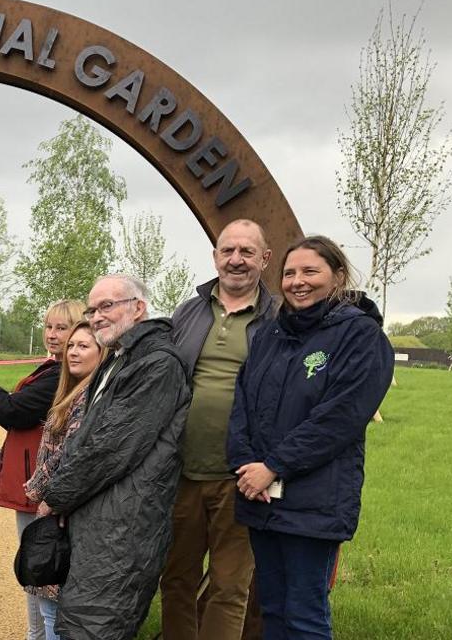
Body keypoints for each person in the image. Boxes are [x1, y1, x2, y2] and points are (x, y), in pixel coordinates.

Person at [227, 236, 393, 640]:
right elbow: (243, 404)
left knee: (304, 615)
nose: (297, 282)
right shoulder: (270, 335)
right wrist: (247, 467)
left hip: (313, 499)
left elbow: (340, 418)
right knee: (273, 609)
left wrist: (273, 467)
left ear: (337, 276)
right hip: (261, 497)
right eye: (289, 273)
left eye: (310, 272)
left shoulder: (361, 337)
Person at [39, 275, 191, 640]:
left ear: (138, 308)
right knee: (80, 621)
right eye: (92, 309)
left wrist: (56, 496)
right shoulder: (120, 359)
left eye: (106, 306)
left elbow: (108, 449)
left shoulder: (156, 365)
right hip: (100, 520)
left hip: (122, 529)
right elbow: (87, 436)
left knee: (96, 627)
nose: (96, 316)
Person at [162, 219, 278, 640]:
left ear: (264, 259)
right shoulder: (188, 313)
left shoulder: (280, 319)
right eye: (228, 250)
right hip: (183, 471)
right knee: (176, 580)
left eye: (247, 252)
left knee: (230, 587)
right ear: (215, 257)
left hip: (242, 476)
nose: (236, 260)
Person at [0, 298, 84, 640]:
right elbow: (18, 413)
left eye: (62, 327)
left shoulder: (62, 373)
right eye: (48, 327)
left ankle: (38, 635)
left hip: (40, 484)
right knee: (38, 564)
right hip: (31, 476)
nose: (53, 334)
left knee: (38, 565)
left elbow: (18, 411)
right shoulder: (52, 368)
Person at [22, 321, 103, 640]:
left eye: (83, 346)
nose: (73, 351)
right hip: (58, 505)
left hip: (63, 509)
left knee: (55, 609)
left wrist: (36, 488)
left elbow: (70, 452)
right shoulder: (72, 391)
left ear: (102, 353)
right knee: (50, 606)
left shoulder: (89, 397)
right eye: (72, 345)